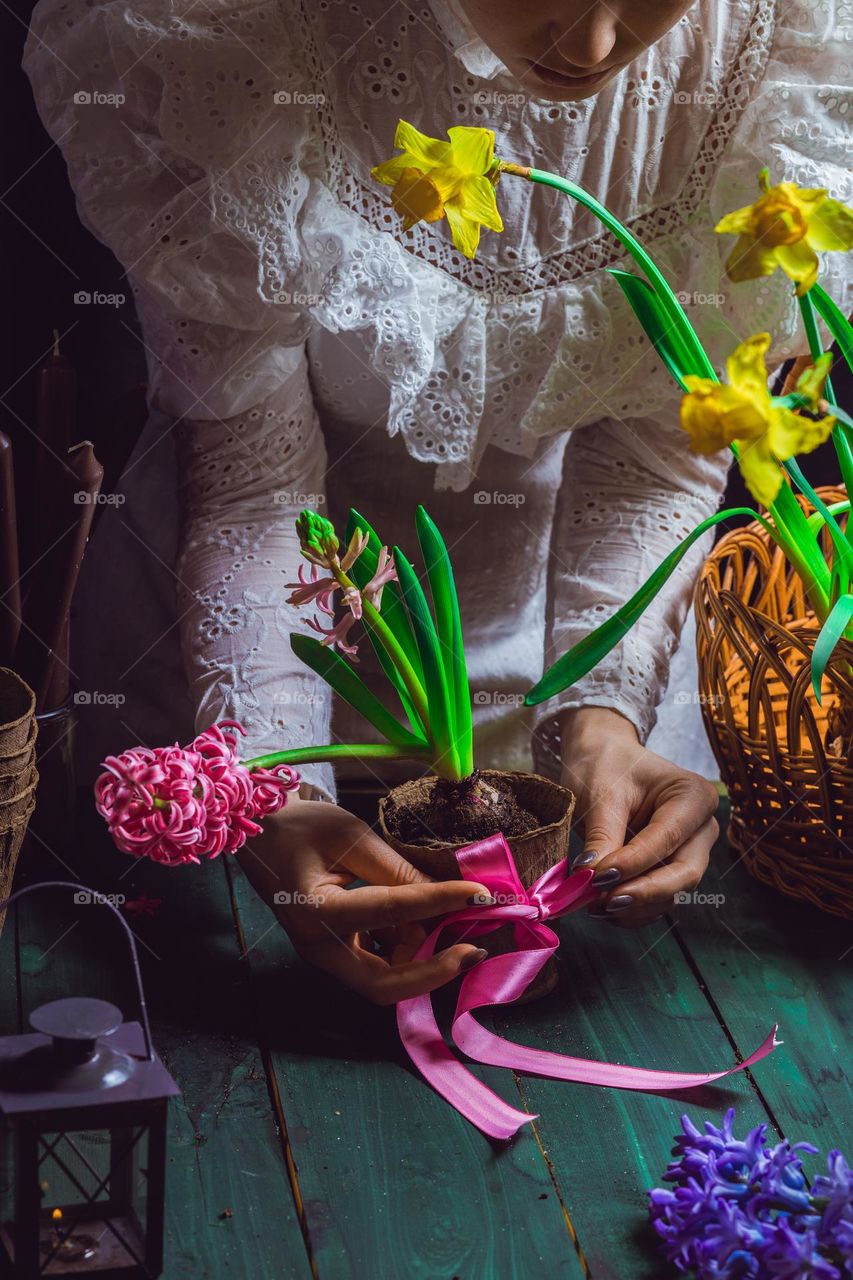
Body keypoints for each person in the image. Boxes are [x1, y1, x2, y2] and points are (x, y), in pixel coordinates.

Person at [24, 0, 851, 1001]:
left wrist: (604, 710)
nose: (588, 47)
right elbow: (253, 488)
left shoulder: (789, 48)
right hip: (238, 666)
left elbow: (654, 454)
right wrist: (272, 780)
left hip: (569, 685)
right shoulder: (234, 35)